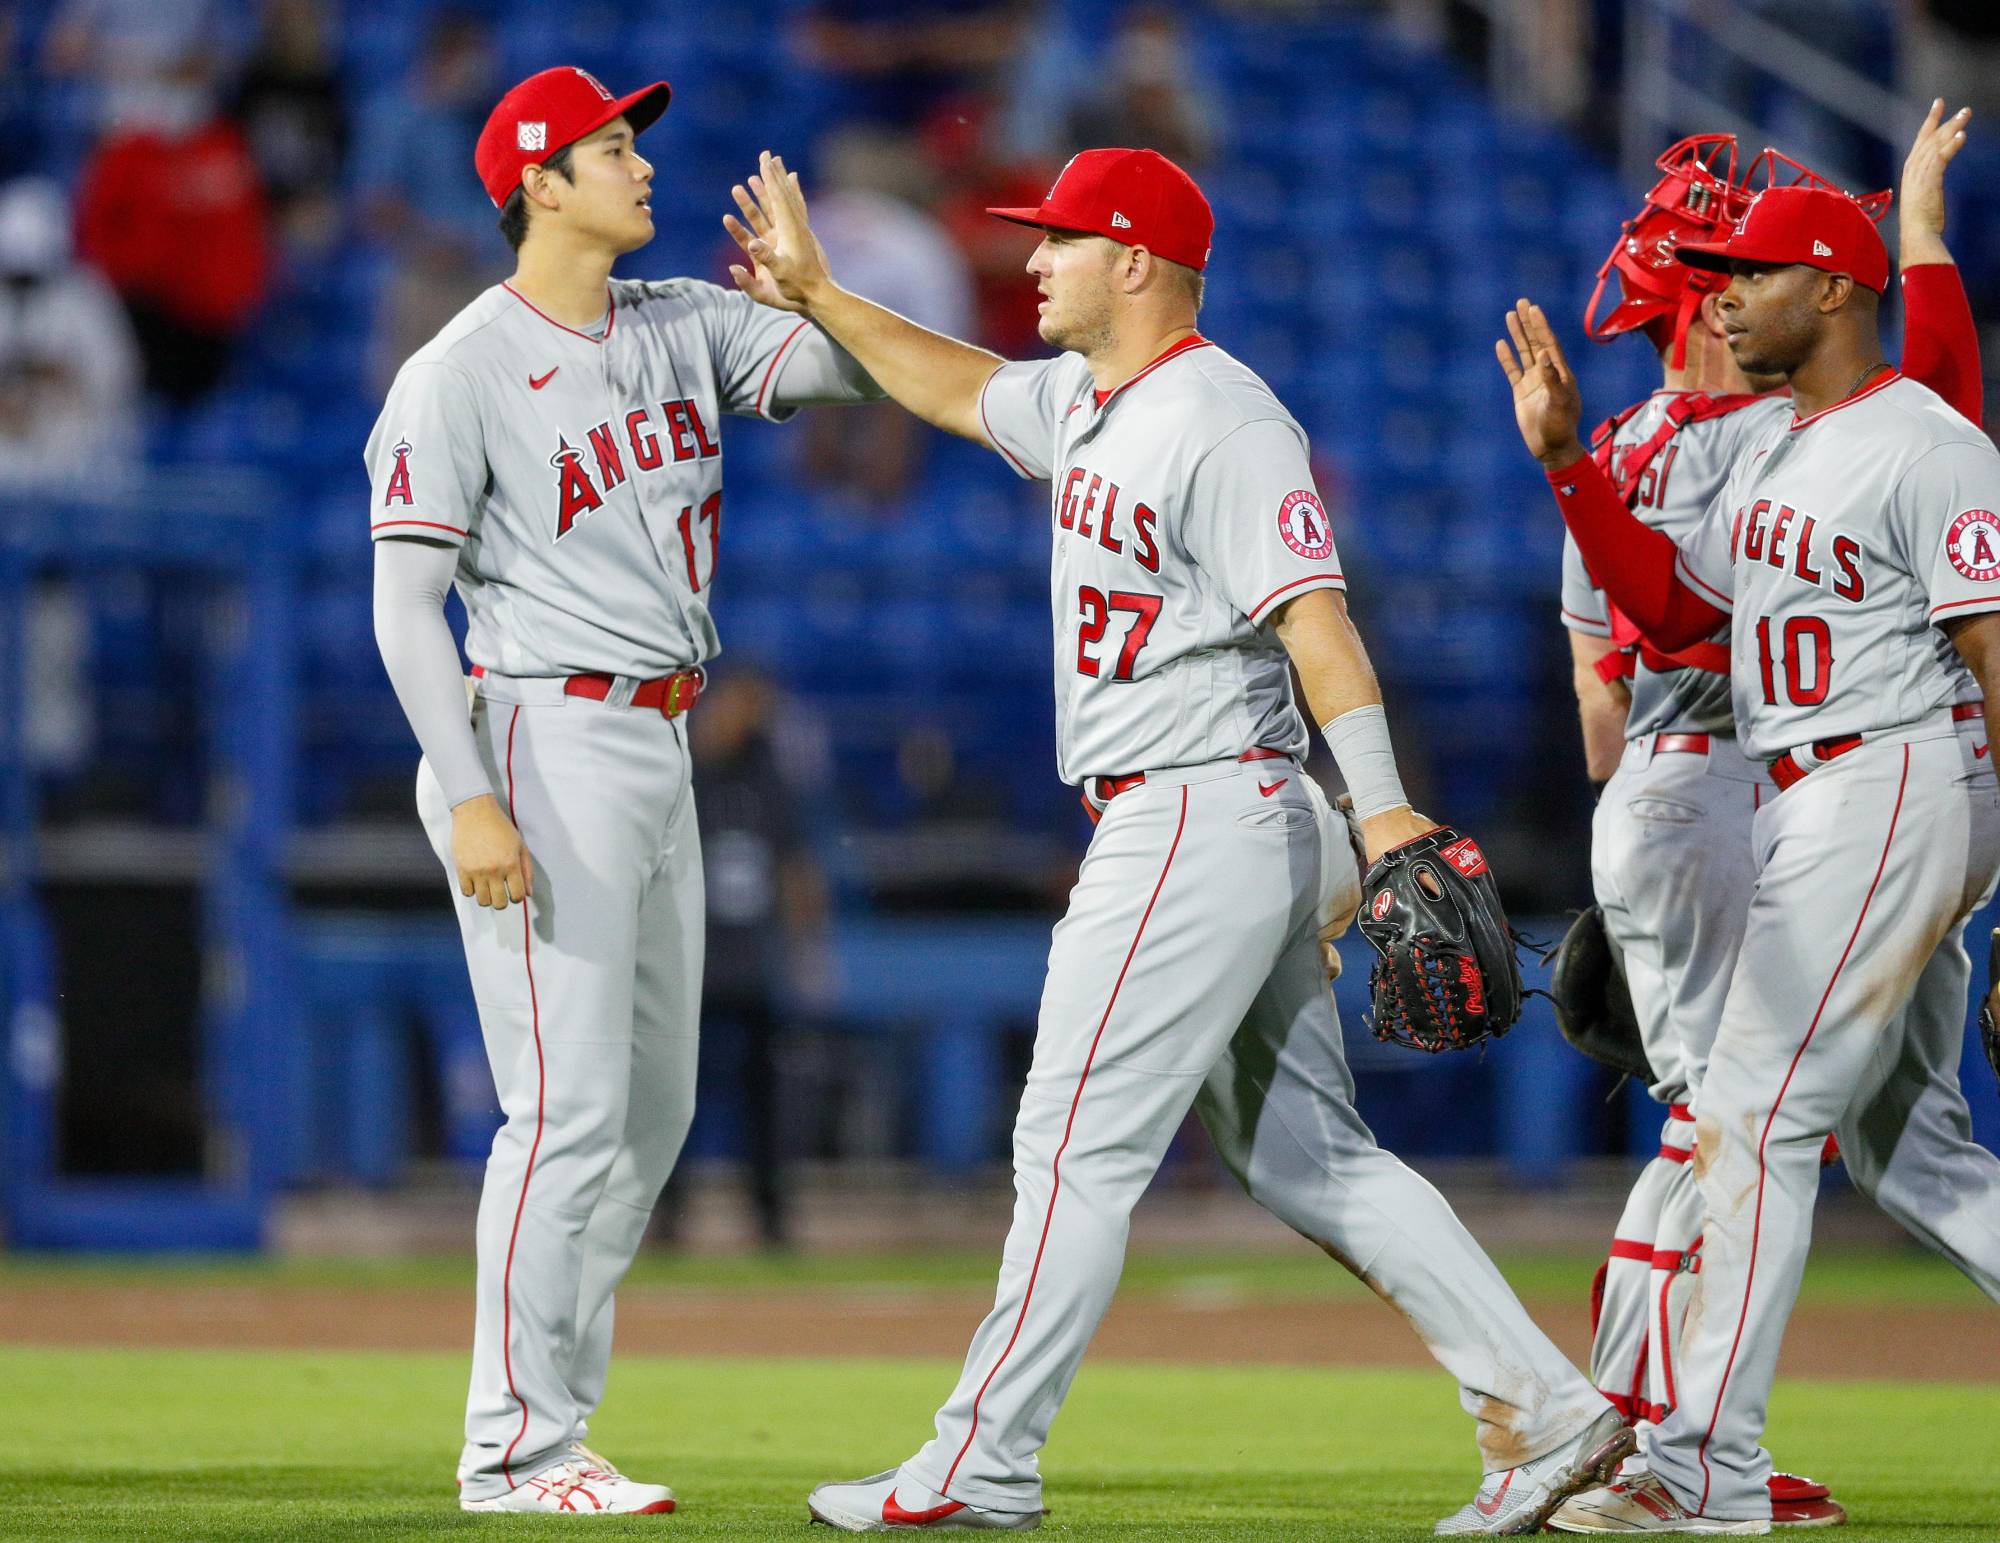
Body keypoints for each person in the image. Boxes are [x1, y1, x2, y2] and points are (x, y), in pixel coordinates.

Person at [726, 145, 1626, 1536]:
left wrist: (1384, 814)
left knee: (1070, 1142)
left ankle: (980, 1466)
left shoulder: (1223, 418)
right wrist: (823, 295)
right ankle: (1546, 1408)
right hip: (1208, 814)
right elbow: (954, 385)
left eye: (1059, 240)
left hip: (1200, 804)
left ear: (1132, 258)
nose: (1031, 260)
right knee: (1306, 1158)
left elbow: (1315, 621)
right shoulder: (1093, 399)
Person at [365, 66, 882, 1515]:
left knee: (649, 1119)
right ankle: (514, 1447)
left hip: (659, 738)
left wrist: (816, 292)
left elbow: (855, 372)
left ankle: (551, 1421)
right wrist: (467, 795)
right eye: (607, 148)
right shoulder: (457, 369)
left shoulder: (679, 324)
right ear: (536, 180)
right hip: (537, 732)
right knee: (566, 1113)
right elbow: (406, 609)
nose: (641, 167)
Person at [1501, 174, 2000, 1532]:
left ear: (1835, 288)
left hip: (1885, 779)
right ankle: (1693, 1462)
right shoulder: (1785, 444)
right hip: (1808, 799)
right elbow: (1665, 616)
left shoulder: (1931, 444)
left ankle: (1699, 1471)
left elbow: (1997, 663)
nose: (1718, 291)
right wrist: (1564, 465)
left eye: (1752, 271)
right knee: (1905, 1148)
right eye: (1714, 273)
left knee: (1751, 1122)